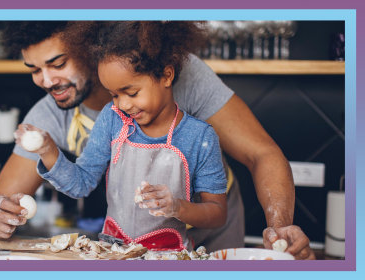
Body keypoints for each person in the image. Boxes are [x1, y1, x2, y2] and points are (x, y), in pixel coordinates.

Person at [0, 21, 315, 259]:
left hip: (212, 237)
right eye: (34, 69)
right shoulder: (56, 114)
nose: (47, 81)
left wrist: (280, 229)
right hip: (131, 248)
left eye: (58, 63)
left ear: (88, 48)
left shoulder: (175, 75)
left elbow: (262, 154)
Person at [14, 21, 228, 251]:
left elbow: (217, 214)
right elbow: (80, 184)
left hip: (168, 256)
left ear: (166, 75)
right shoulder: (113, 119)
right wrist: (48, 150)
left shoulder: (199, 137)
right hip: (114, 252)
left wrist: (177, 207)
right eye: (114, 95)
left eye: (131, 92)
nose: (123, 104)